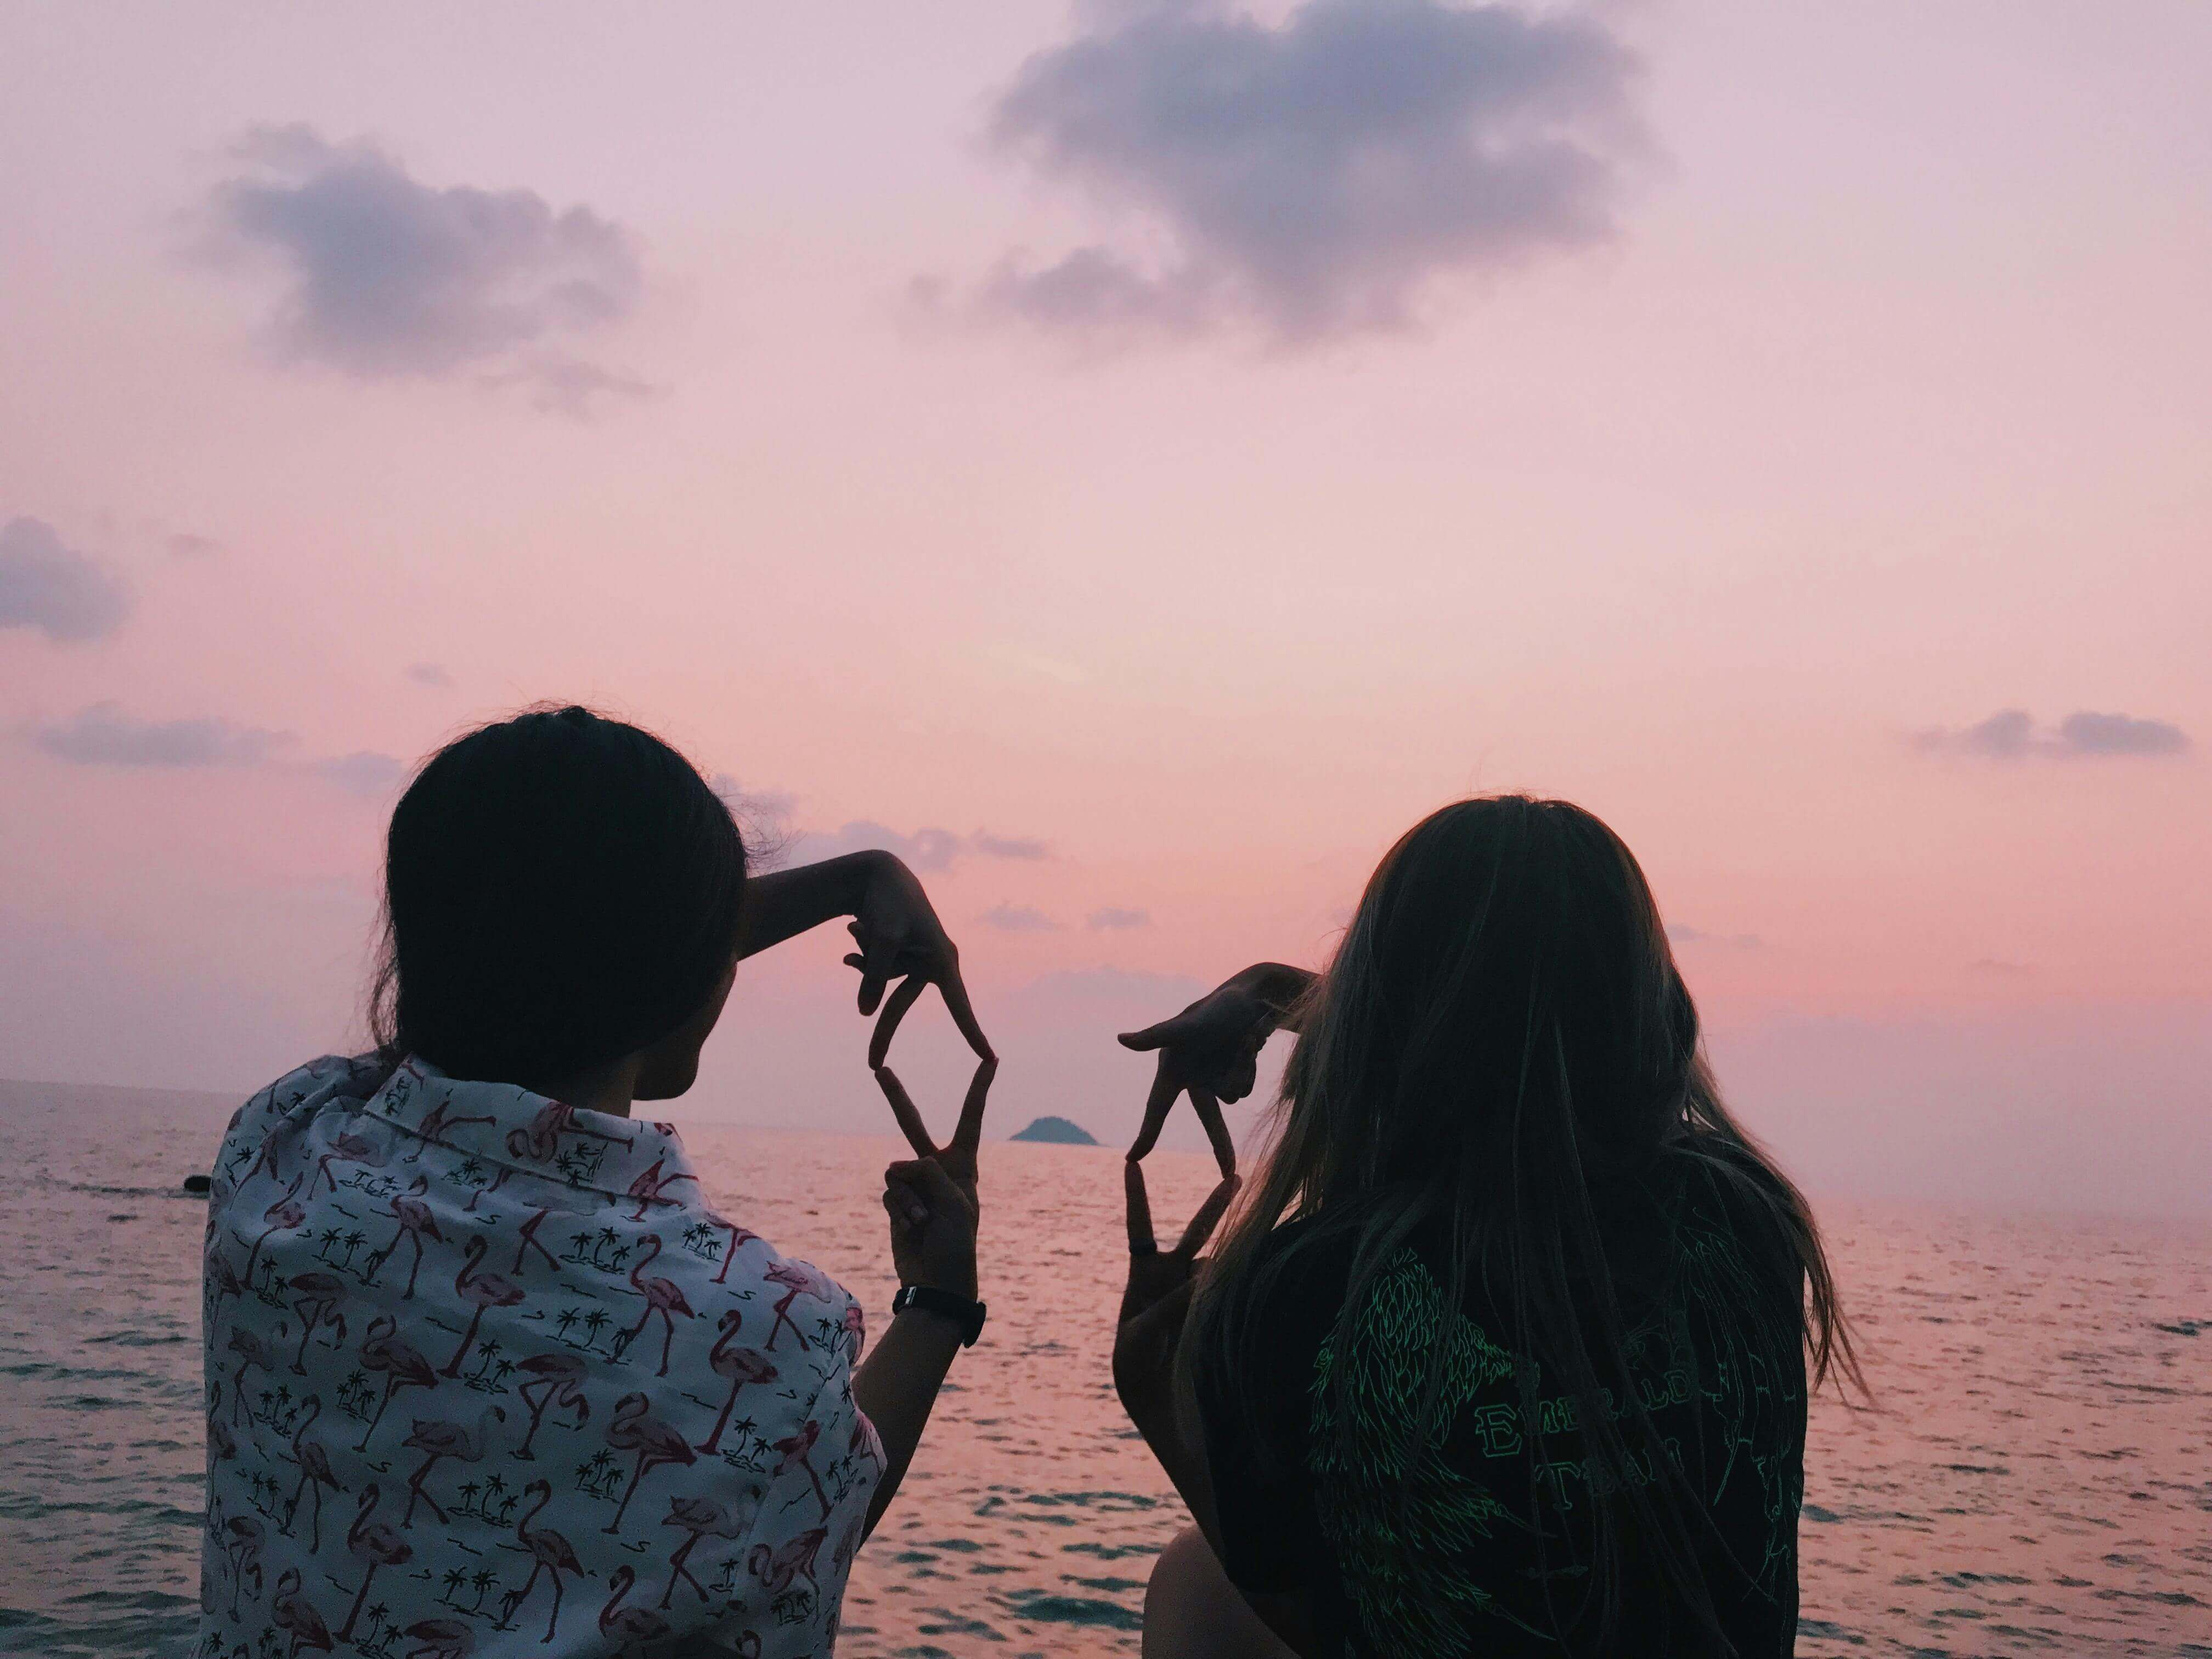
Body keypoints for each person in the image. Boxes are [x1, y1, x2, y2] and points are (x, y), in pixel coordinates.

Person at [196, 704, 996, 1658]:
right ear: (693, 971)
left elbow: (534, 940)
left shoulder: (279, 1149)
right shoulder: (764, 1328)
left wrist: (850, 883)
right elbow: (805, 1528)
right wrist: (940, 1299)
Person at [1111, 795, 1861, 1658]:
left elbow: (1322, 1625)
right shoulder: (1748, 1223)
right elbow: (1538, 1061)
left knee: (1194, 1582)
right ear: (1650, 1003)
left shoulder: (1308, 1292)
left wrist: (1157, 1396)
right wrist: (1273, 993)